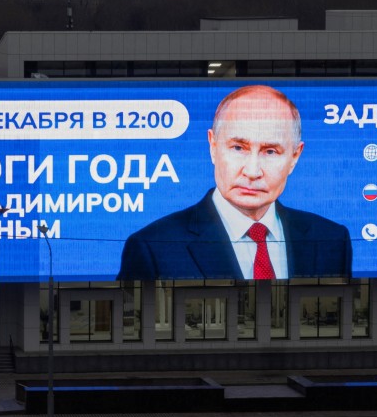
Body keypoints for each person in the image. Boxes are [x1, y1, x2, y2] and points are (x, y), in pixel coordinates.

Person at [117, 84, 351, 281]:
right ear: (213, 146)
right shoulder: (153, 247)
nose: (252, 171)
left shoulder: (332, 240)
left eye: (270, 151)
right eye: (238, 148)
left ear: (294, 157)